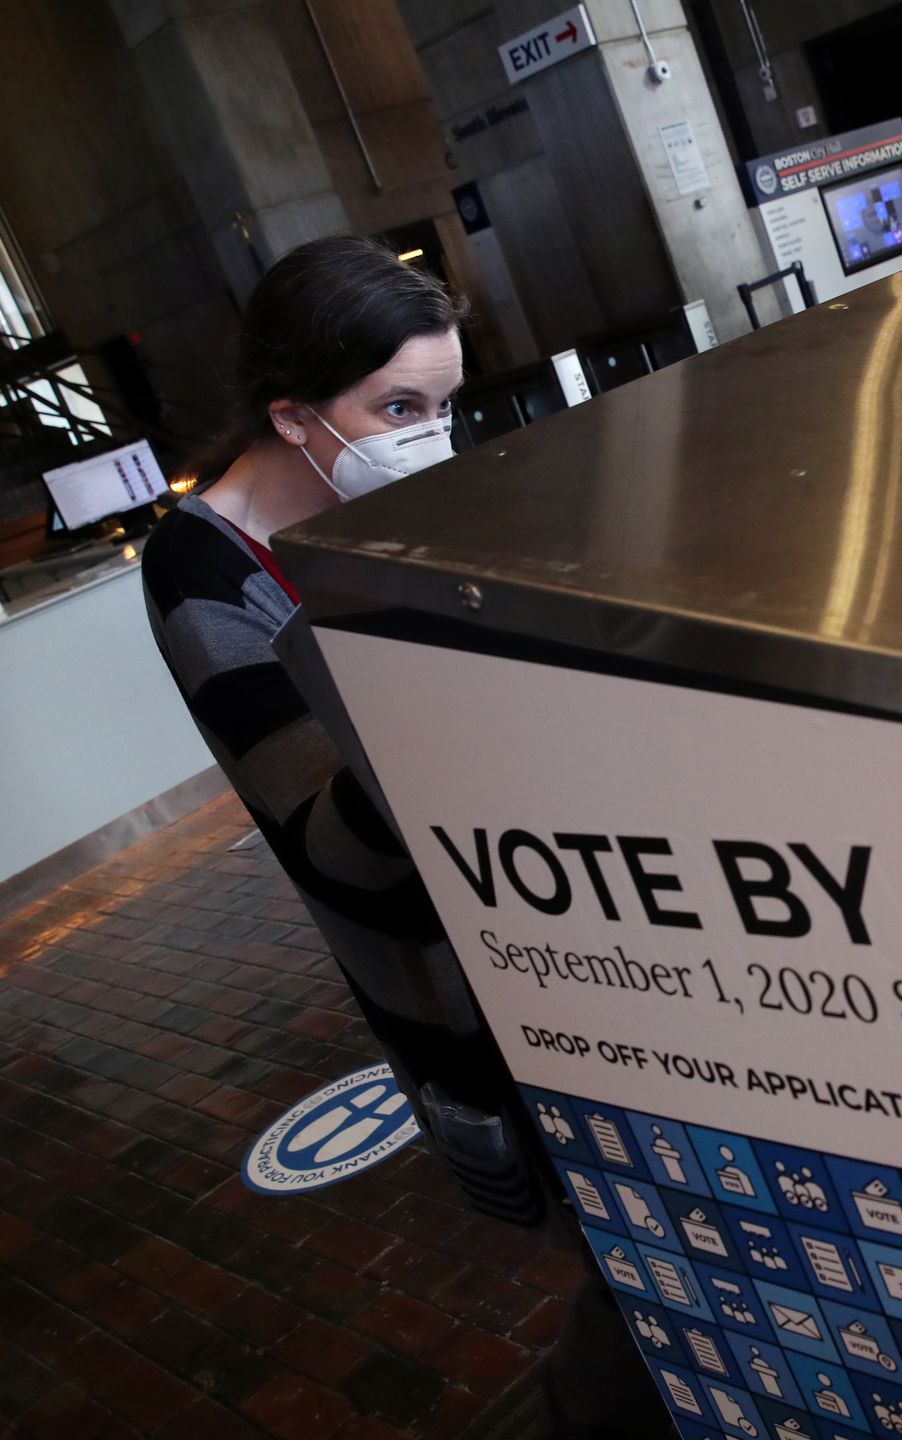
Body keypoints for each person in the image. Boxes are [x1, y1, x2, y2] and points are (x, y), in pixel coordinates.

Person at [141, 236, 663, 1438]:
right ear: (293, 413)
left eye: (443, 403)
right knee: (630, 1266)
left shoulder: (389, 503)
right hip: (455, 990)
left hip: (560, 938)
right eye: (398, 407)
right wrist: (450, 666)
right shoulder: (205, 572)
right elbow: (337, 845)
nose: (429, 434)